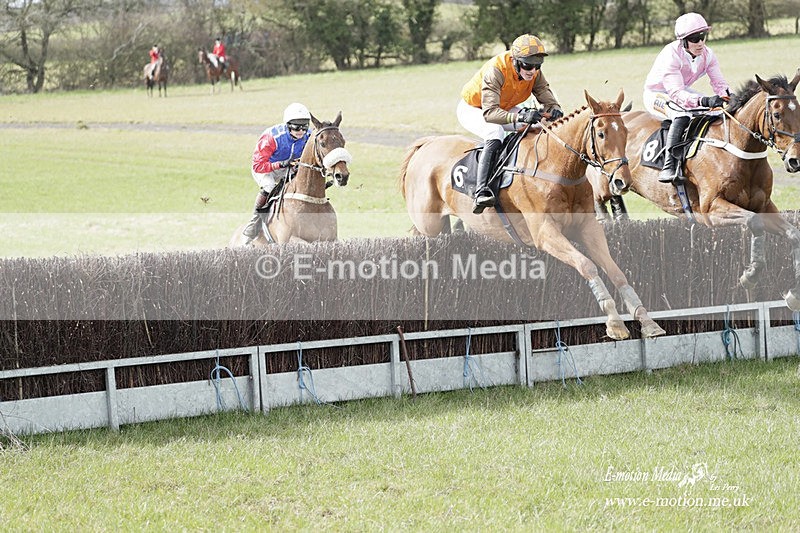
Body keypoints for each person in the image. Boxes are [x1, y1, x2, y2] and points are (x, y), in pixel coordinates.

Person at [458, 33, 564, 214]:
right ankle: (481, 190)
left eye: (537, 66)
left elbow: (546, 96)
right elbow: (490, 113)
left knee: (539, 126)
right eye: (527, 65)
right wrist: (521, 117)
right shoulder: (496, 70)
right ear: (515, 61)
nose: (532, 70)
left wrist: (554, 109)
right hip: (475, 109)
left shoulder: (534, 72)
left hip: (504, 107)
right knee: (495, 132)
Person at [643, 12, 731, 183]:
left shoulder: (708, 55)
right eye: (694, 38)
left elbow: (719, 83)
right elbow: (676, 94)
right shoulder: (671, 55)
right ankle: (669, 165)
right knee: (681, 114)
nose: (700, 42)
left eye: (703, 36)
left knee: (716, 112)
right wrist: (704, 101)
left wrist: (729, 97)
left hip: (682, 90)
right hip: (656, 94)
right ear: (683, 41)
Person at [242, 103, 313, 241]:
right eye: (296, 126)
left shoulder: (309, 136)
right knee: (269, 186)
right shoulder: (272, 138)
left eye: (304, 126)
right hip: (267, 168)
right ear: (287, 124)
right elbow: (258, 165)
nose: (301, 131)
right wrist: (281, 164)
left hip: (290, 167)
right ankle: (255, 222)